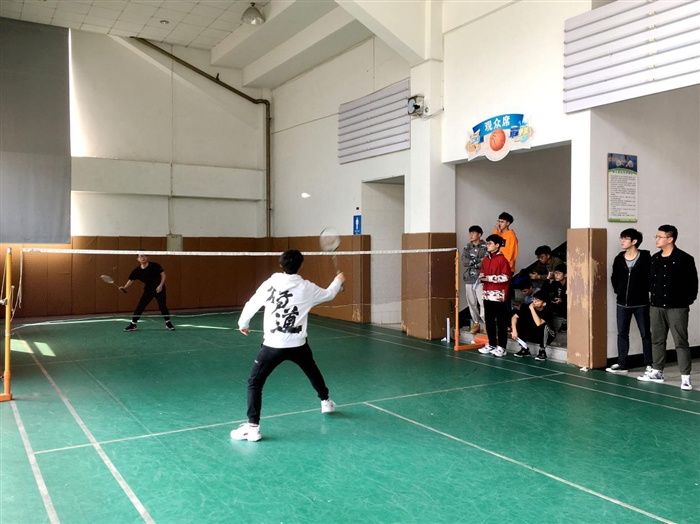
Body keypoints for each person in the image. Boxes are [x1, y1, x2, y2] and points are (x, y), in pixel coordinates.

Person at [231, 249, 345, 442]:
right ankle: (326, 402)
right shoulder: (307, 288)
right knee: (312, 371)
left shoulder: (270, 284)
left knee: (255, 383)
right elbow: (329, 294)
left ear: (280, 264)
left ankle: (253, 428)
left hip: (272, 346)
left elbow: (252, 303)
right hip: (298, 345)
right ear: (301, 265)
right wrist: (338, 281)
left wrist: (243, 324)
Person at [638, 225, 698, 390]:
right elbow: (651, 281)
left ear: (670, 239)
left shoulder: (684, 258)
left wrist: (686, 301)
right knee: (657, 340)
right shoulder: (655, 258)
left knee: (680, 342)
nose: (656, 239)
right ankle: (657, 371)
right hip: (656, 306)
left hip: (677, 307)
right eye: (656, 236)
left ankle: (685, 377)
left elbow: (693, 283)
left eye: (660, 237)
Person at [607, 228, 652, 374]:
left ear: (634, 241)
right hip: (622, 302)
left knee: (645, 333)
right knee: (622, 333)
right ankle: (622, 364)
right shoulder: (619, 258)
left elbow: (651, 277)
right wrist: (619, 291)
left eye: (625, 238)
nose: (622, 241)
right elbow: (614, 277)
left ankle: (649, 364)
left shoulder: (645, 258)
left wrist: (646, 291)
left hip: (641, 302)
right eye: (622, 238)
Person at [477, 234, 512, 357]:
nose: (487, 245)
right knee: (489, 321)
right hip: (487, 295)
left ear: (497, 245)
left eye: (490, 243)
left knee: (501, 322)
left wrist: (489, 278)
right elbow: (482, 272)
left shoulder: (502, 260)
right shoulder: (486, 260)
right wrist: (482, 276)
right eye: (487, 243)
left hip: (498, 296)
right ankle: (492, 343)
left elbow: (506, 277)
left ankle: (502, 347)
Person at [120, 254, 174, 332]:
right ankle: (133, 324)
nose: (143, 258)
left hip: (159, 289)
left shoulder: (155, 265)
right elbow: (131, 280)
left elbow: (163, 275)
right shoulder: (137, 271)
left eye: (145, 256)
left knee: (162, 306)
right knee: (140, 306)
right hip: (148, 290)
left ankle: (168, 323)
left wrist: (160, 285)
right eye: (141, 256)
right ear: (138, 259)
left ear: (147, 257)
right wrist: (125, 287)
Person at [510, 291, 556, 361]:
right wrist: (514, 330)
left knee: (545, 326)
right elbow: (514, 317)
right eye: (534, 299)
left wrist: (532, 309)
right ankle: (524, 348)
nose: (534, 302)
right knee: (518, 321)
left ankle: (542, 351)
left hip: (548, 334)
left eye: (538, 300)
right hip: (533, 332)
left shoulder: (548, 310)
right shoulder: (527, 306)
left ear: (544, 303)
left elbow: (538, 323)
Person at [462, 225, 488, 334]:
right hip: (469, 278)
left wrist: (473, 262)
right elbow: (464, 262)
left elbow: (486, 261)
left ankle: (486, 323)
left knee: (482, 302)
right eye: (470, 233)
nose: (471, 235)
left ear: (479, 234)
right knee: (471, 301)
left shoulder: (486, 246)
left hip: (481, 278)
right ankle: (476, 323)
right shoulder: (467, 247)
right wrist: (478, 260)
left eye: (473, 233)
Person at [541, 263, 567, 330]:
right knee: (545, 303)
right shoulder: (555, 283)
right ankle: (548, 326)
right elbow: (543, 291)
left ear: (565, 275)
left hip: (565, 305)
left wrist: (562, 300)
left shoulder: (569, 284)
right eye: (555, 273)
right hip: (556, 304)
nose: (556, 275)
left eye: (559, 273)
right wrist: (548, 278)